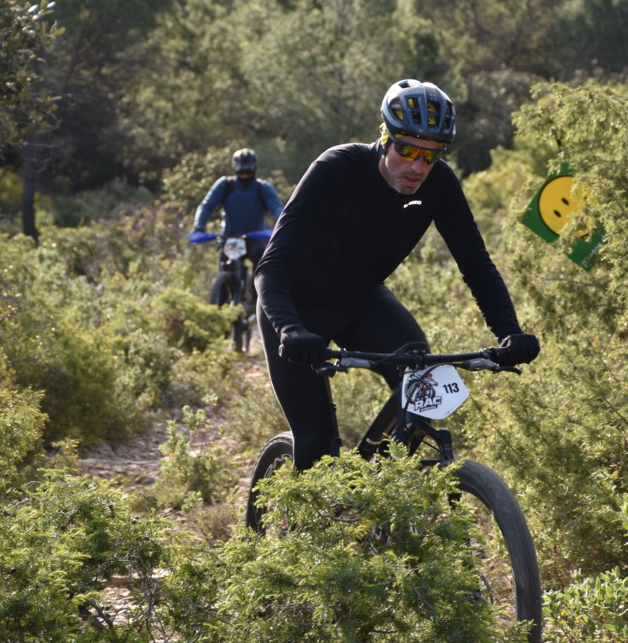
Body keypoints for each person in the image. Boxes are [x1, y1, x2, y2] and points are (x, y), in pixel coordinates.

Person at [255, 80, 540, 471]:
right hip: (296, 307)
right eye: (407, 150)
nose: (418, 167)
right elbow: (271, 264)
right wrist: (289, 328)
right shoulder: (336, 169)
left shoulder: (439, 184)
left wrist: (509, 331)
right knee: (316, 441)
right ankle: (307, 510)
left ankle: (382, 492)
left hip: (362, 301)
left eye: (431, 155)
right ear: (385, 138)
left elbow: (476, 265)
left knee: (424, 390)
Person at [191, 148, 283, 271]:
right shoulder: (225, 185)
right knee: (225, 267)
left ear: (254, 170)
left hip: (256, 238)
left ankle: (259, 283)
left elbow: (276, 208)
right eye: (241, 172)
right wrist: (199, 228)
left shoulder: (263, 187)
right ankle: (224, 282)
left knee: (263, 266)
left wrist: (282, 227)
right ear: (235, 170)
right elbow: (206, 206)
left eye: (248, 173)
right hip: (229, 237)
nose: (244, 176)